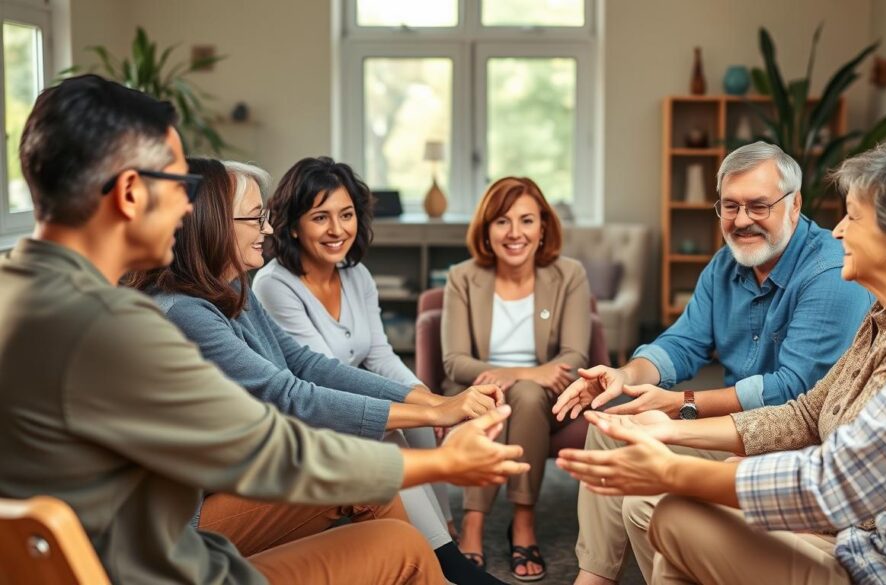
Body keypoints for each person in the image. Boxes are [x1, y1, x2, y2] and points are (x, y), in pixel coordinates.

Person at [0, 74, 527, 585]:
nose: (189, 206)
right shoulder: (120, 327)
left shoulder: (23, 293)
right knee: (404, 550)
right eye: (180, 184)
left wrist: (430, 412)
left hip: (125, 550)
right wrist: (442, 462)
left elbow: (291, 382)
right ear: (132, 193)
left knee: (385, 521)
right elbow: (271, 446)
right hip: (170, 565)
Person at [558, 80, 886, 585]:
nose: (839, 230)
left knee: (665, 506)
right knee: (648, 479)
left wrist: (676, 440)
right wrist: (656, 409)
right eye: (729, 206)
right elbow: (801, 409)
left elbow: (835, 472)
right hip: (853, 515)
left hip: (872, 546)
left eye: (851, 217)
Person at [129, 157, 507, 585]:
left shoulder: (231, 287)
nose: (267, 230)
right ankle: (442, 570)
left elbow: (307, 364)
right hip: (182, 528)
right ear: (211, 224)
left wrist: (434, 402)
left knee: (382, 504)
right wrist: (435, 412)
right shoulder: (185, 313)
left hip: (230, 482)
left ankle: (431, 567)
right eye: (256, 219)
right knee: (364, 460)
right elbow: (290, 395)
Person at [555, 141, 874, 584]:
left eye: (758, 206)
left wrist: (681, 404)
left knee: (647, 497)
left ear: (795, 203)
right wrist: (624, 375)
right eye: (730, 206)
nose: (742, 220)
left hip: (794, 440)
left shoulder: (829, 270)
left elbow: (792, 390)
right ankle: (595, 577)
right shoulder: (726, 265)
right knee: (610, 426)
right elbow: (683, 342)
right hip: (735, 425)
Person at [252, 156, 456, 537]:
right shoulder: (273, 284)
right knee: (392, 435)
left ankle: (444, 526)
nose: (337, 230)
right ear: (293, 226)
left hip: (348, 397)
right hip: (307, 411)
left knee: (423, 413)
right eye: (320, 217)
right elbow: (323, 372)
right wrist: (424, 407)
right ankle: (441, 556)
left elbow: (379, 353)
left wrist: (425, 396)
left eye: (346, 215)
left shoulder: (356, 274)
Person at [443, 176, 592, 581]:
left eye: (527, 221)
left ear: (543, 227)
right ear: (486, 230)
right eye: (502, 222)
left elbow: (576, 355)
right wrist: (518, 373)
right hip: (480, 388)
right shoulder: (462, 276)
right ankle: (475, 521)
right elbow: (454, 361)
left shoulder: (570, 274)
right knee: (500, 394)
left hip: (548, 395)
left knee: (525, 394)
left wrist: (529, 378)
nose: (515, 233)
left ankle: (522, 519)